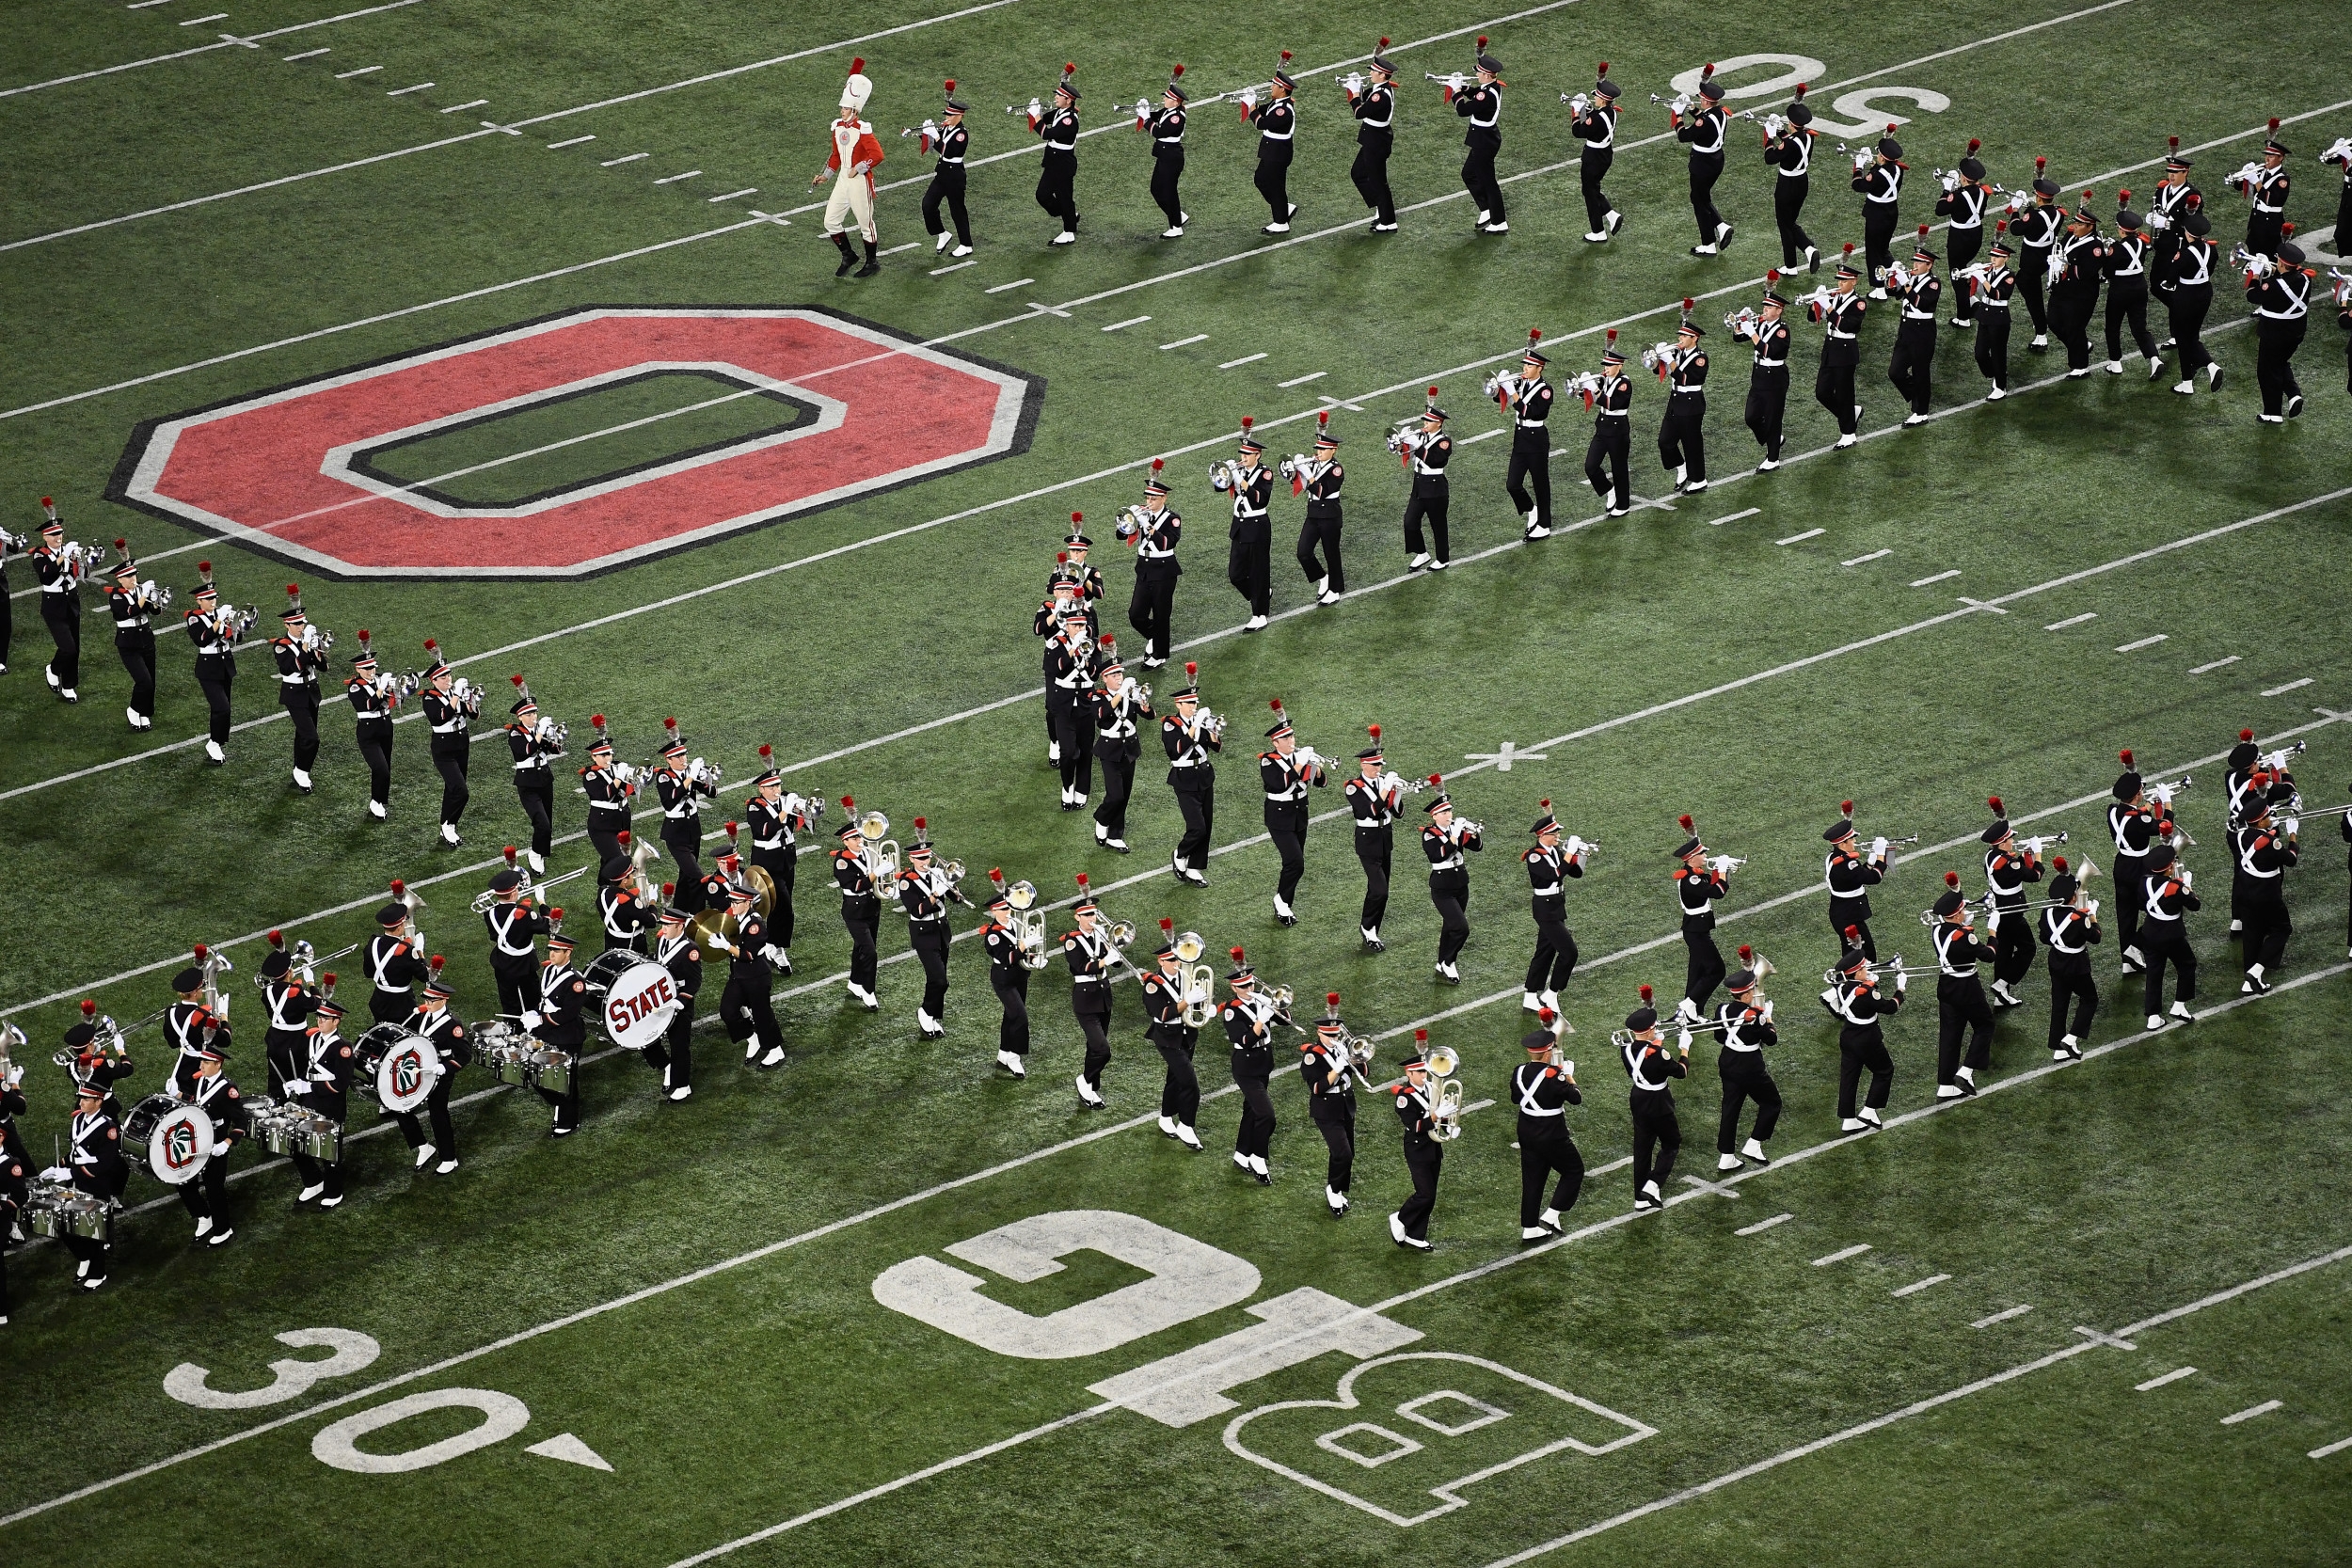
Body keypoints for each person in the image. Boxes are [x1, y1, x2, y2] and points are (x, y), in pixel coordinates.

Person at [1511, 1008, 1582, 1241]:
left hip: (1526, 1128)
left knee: (1533, 1178)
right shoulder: (1554, 1075)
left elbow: (1515, 1098)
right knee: (1574, 1170)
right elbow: (1576, 1098)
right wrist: (1569, 1077)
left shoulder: (1519, 1071)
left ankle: (1530, 1228)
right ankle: (1552, 1215)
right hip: (1551, 1131)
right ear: (1547, 1052)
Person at [1822, 934, 1901, 1131]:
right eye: (1864, 968)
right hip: (1867, 1038)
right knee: (1884, 1070)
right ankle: (1869, 1110)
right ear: (1857, 973)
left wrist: (1870, 983)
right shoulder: (1866, 992)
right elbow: (1890, 1007)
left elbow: (1859, 994)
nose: (1867, 969)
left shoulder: (1841, 987)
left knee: (1850, 1077)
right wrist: (1901, 988)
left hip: (1848, 1035)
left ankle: (1848, 1120)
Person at [1259, 702, 1327, 927]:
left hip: (1300, 813)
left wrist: (1316, 765)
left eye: (1292, 737)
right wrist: (1299, 764)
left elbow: (1321, 783)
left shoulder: (1299, 757)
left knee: (1295, 863)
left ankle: (1284, 901)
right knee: (1295, 862)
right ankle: (1281, 902)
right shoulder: (1269, 760)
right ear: (1275, 742)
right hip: (1279, 816)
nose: (1291, 742)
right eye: (1286, 739)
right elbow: (1280, 783)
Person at [1706, 959, 1779, 1170]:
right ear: (1746, 994)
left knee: (1731, 1108)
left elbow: (1720, 1037)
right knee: (1772, 1103)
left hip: (1728, 1061)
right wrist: (1769, 1019)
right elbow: (1771, 1040)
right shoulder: (1755, 1016)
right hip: (1749, 1065)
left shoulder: (1721, 1010)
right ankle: (1754, 1144)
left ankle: (1726, 1157)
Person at [898, 825, 969, 1040]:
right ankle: (925, 1012)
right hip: (923, 932)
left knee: (937, 978)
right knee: (940, 981)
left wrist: (954, 889)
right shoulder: (906, 881)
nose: (925, 862)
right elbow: (917, 910)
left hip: (941, 930)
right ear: (911, 859)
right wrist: (937, 893)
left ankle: (933, 1017)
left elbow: (957, 899)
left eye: (927, 857)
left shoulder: (938, 873)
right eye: (920, 859)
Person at [1929, 873, 1997, 1099]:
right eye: (1963, 911)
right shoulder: (1965, 937)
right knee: (1985, 1024)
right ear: (1957, 915)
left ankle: (1945, 1086)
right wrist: (1992, 930)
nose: (1966, 912)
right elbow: (1988, 956)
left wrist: (1964, 925)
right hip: (1966, 987)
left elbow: (1956, 935)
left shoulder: (1938, 930)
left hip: (1946, 985)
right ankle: (1966, 1072)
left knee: (1950, 1035)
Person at [1619, 988, 1687, 1212]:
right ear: (1649, 1031)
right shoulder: (1659, 1054)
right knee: (1671, 1142)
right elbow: (1680, 1072)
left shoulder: (1626, 1049)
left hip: (1638, 1098)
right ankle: (1654, 1183)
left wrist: (1654, 1044)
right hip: (1658, 1100)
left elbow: (1645, 1055)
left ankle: (1639, 1198)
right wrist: (1684, 1047)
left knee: (1642, 1147)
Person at [815, 61, 883, 277]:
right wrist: (826, 175)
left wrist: (859, 168)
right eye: (842, 108)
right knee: (831, 221)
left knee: (865, 223)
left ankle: (872, 263)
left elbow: (878, 155)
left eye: (845, 108)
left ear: (854, 109)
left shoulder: (863, 130)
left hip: (859, 181)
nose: (842, 111)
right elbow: (836, 155)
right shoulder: (837, 127)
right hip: (843, 179)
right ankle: (848, 255)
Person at [397, 972, 469, 1176]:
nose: (427, 1003)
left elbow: (465, 1055)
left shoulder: (452, 1025)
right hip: (420, 1068)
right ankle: (423, 1146)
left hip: (440, 1071)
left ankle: (449, 1158)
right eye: (426, 999)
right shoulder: (422, 1015)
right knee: (400, 1107)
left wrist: (445, 1068)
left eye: (432, 1000)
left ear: (444, 1000)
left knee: (438, 1113)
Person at [2233, 781, 2298, 993]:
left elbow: (2260, 842)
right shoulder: (2271, 842)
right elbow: (2290, 859)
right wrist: (2292, 835)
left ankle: (2248, 982)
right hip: (2266, 892)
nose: (2270, 818)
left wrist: (2269, 832)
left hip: (2246, 889)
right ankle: (2257, 970)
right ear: (2260, 822)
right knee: (2282, 928)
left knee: (2252, 933)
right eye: (2267, 817)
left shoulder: (2241, 835)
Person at [179, 1045, 247, 1247]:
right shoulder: (199, 1080)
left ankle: (223, 1229)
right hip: (196, 1141)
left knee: (214, 1189)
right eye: (201, 1061)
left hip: (216, 1144)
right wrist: (180, 1095)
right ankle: (203, 1216)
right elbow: (196, 1102)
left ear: (218, 1064)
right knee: (183, 1182)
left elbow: (241, 1122)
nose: (201, 1065)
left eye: (206, 1062)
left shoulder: (229, 1089)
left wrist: (226, 1143)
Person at [1141, 923, 1202, 1149]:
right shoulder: (1152, 985)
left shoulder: (1185, 976)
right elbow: (1163, 1013)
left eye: (1178, 959)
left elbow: (1195, 1005)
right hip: (1167, 1037)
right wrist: (1188, 1001)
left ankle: (1166, 1117)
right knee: (1189, 1083)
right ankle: (1186, 1125)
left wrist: (1205, 1006)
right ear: (1161, 962)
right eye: (1172, 961)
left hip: (1187, 1034)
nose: (1178, 964)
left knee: (1175, 1079)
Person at [287, 995, 352, 1206]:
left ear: (336, 1021)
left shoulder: (343, 1048)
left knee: (329, 1151)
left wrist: (310, 1086)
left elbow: (341, 1084)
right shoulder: (313, 1038)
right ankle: (313, 1182)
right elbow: (309, 1068)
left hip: (330, 1103)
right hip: (308, 1098)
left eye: (326, 1018)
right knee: (295, 1143)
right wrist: (298, 1083)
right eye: (319, 1017)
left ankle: (334, 1192)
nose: (320, 1021)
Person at [1344, 727, 1406, 951]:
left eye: (1381, 765)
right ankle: (1367, 927)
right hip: (1367, 839)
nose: (1379, 769)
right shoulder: (1353, 787)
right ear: (1363, 765)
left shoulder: (1382, 784)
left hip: (1384, 837)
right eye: (1376, 765)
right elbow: (1371, 811)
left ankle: (1372, 930)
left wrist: (1397, 792)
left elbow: (1397, 813)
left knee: (1381, 888)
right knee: (1380, 890)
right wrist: (1386, 788)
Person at [1520, 803, 1584, 1012]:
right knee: (1569, 952)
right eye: (1555, 833)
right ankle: (1551, 993)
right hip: (1545, 909)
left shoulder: (1556, 851)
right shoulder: (1534, 855)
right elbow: (1553, 876)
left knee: (1545, 952)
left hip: (1556, 907)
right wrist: (1569, 854)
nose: (1558, 836)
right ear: (1544, 834)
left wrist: (1579, 854)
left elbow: (1576, 873)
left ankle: (1530, 995)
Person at [713, 882, 786, 1066]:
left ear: (748, 902)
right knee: (728, 1012)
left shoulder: (755, 923)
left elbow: (748, 955)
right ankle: (752, 1038)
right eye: (732, 902)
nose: (732, 906)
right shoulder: (735, 917)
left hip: (756, 976)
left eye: (736, 902)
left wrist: (726, 947)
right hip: (739, 975)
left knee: (762, 1014)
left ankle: (776, 1050)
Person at [1220, 953, 1278, 1183]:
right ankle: (1258, 1156)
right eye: (1243, 986)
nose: (1249, 988)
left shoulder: (1259, 1001)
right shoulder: (1231, 1010)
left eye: (1251, 983)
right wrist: (1261, 1020)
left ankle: (1241, 1154)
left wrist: (1277, 1007)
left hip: (1264, 1062)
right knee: (1267, 1115)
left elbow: (1285, 1019)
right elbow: (1244, 1040)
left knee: (1252, 1111)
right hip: (1246, 1066)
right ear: (1235, 988)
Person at [1163, 663, 1220, 887]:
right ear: (1179, 704)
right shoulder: (1170, 724)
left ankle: (1195, 868)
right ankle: (1180, 854)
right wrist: (1195, 726)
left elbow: (1216, 747)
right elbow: (1177, 749)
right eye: (1190, 703)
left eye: (1195, 703)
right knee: (1197, 826)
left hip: (1205, 775)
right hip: (1184, 778)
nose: (1194, 706)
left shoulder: (1201, 721)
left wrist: (1213, 730)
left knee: (1207, 823)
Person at [2038, 856, 2101, 1061]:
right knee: (2090, 999)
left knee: (2060, 1003)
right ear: (2072, 898)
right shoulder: (2079, 918)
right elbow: (2096, 938)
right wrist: (2092, 916)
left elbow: (2044, 938)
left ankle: (2058, 1048)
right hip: (2076, 965)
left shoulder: (2046, 913)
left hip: (2056, 961)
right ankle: (2071, 1038)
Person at [1422, 777, 1483, 984]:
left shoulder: (1454, 829)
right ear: (1435, 815)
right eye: (1445, 812)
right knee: (1461, 928)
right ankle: (1449, 962)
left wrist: (1472, 833)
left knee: (1450, 926)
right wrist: (1454, 836)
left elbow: (1477, 848)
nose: (1449, 815)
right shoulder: (1430, 834)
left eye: (1450, 811)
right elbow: (1438, 855)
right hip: (1442, 887)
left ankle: (1444, 962)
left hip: (1460, 883)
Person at [1213, 423, 1274, 630]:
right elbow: (1219, 487)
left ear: (1257, 455)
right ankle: (1261, 593)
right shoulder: (1239, 470)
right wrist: (1228, 473)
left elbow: (1260, 499)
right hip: (1239, 525)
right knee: (1235, 574)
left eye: (1248, 454)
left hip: (1257, 525)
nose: (1243, 457)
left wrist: (1240, 479)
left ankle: (1260, 614)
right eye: (1242, 453)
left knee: (1258, 572)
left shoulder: (1265, 474)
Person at [1120, 461, 1182, 668]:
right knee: (1136, 615)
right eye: (1147, 497)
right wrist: (1130, 520)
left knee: (1161, 615)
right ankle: (1155, 638)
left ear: (1164, 498)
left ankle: (1160, 654)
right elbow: (1121, 535)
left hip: (1164, 571)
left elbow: (1166, 543)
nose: (1149, 501)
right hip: (1144, 570)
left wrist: (1146, 523)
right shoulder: (1142, 513)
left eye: (1153, 498)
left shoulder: (1172, 519)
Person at [1494, 338, 1556, 538]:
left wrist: (1512, 393)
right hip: (1520, 438)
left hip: (1536, 438)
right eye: (1525, 364)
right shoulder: (1521, 383)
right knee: (1513, 484)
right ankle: (1532, 510)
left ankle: (1544, 525)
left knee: (1540, 483)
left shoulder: (1546, 390)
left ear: (1540, 368)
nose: (1525, 368)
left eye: (1530, 365)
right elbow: (1497, 398)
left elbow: (1529, 412)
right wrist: (1501, 386)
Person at [1090, 641, 1150, 852]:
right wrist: (1121, 693)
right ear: (1104, 678)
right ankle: (1101, 820)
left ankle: (1115, 835)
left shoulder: (1129, 693)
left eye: (1120, 675)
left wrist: (1143, 702)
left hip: (1130, 748)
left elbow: (1149, 715)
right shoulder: (1099, 696)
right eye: (1114, 675)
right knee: (1115, 795)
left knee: (1125, 794)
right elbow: (1101, 716)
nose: (1119, 678)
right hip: (1110, 749)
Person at [1064, 879, 1119, 1108]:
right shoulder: (1071, 941)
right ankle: (1084, 1080)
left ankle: (1092, 1090)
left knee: (1093, 1047)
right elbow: (1080, 966)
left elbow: (1116, 966)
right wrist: (1105, 959)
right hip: (1085, 998)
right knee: (1102, 1049)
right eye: (1086, 915)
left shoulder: (1101, 935)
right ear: (1077, 917)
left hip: (1103, 995)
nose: (1091, 919)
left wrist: (1112, 944)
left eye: (1093, 914)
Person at [1302, 999, 1359, 1217]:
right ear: (1319, 1033)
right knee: (1342, 1153)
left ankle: (1339, 1189)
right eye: (1329, 1035)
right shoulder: (1312, 1056)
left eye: (1336, 1035)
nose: (1334, 1039)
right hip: (1326, 1110)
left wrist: (1354, 1058)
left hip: (1346, 1105)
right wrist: (1338, 1067)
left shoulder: (1343, 1048)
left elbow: (1364, 1073)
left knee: (1347, 1152)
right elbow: (1317, 1087)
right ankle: (1333, 1190)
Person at [653, 724, 718, 911]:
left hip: (693, 830)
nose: (683, 759)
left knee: (686, 875)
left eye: (684, 755)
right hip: (676, 833)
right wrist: (690, 777)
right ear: (669, 759)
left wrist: (707, 779)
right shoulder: (664, 776)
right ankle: (699, 915)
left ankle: (679, 911)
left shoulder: (691, 774)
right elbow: (672, 799)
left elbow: (713, 793)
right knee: (697, 877)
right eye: (679, 756)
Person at [528, 932, 587, 1135]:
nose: (552, 954)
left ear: (568, 953)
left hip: (568, 1035)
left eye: (557, 951)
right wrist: (534, 1013)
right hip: (550, 1032)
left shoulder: (576, 982)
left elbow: (569, 1013)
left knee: (566, 1079)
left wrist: (541, 1021)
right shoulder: (549, 971)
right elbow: (545, 1000)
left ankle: (567, 1120)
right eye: (551, 950)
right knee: (540, 1076)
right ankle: (562, 1107)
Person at [62, 1083, 121, 1289]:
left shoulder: (109, 1127)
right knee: (67, 1227)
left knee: (94, 1230)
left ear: (99, 1101)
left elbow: (105, 1163)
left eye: (87, 1099)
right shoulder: (78, 1119)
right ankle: (84, 1258)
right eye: (81, 1098)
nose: (81, 1102)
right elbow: (74, 1152)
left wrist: (71, 1171)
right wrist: (59, 1165)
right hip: (76, 1183)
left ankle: (98, 1273)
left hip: (96, 1185)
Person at [2248, 239, 2313, 424]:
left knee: (2266, 370)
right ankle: (2293, 394)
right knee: (2280, 362)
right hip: (2296, 332)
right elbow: (2289, 279)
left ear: (2283, 264)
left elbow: (2252, 295)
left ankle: (2273, 412)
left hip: (2274, 333)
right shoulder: (2306, 278)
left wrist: (2255, 274)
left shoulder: (2275, 285)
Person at [1390, 1031, 1445, 1248]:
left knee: (1431, 1196)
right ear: (1409, 1074)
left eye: (1425, 1071)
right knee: (1425, 1193)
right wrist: (1436, 1116)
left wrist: (1449, 1125)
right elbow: (1415, 1126)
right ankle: (1400, 1218)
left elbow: (1440, 1118)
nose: (1425, 1075)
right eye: (1421, 1072)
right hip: (1416, 1148)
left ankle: (1416, 1235)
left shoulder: (1433, 1088)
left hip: (1434, 1146)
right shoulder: (1404, 1097)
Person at [271, 588, 327, 795]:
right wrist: (305, 645)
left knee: (302, 735)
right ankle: (302, 771)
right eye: (296, 624)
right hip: (294, 693)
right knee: (311, 737)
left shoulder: (308, 641)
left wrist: (317, 648)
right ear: (286, 625)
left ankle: (298, 767)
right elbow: (291, 667)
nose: (300, 627)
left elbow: (324, 668)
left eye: (302, 623)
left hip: (312, 691)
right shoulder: (281, 645)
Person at [1673, 66, 1734, 256]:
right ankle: (1720, 228)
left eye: (1701, 99)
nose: (1699, 101)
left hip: (1702, 164)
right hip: (1716, 160)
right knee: (1700, 197)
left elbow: (1683, 135)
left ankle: (1709, 242)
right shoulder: (1721, 112)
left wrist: (1678, 114)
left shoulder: (1704, 122)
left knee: (1698, 200)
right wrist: (1692, 108)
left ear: (1707, 101)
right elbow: (1705, 117)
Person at [1672, 821, 1731, 1018]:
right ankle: (1688, 1005)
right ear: (1691, 859)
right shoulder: (1691, 880)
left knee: (1696, 974)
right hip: (1697, 932)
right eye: (1702, 854)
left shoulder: (1694, 874)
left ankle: (1691, 1013)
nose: (1706, 857)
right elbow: (1718, 891)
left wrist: (1723, 871)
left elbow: (1711, 882)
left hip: (1697, 930)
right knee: (1717, 970)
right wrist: (1722, 870)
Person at [1810, 246, 1867, 448]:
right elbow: (1812, 318)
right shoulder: (1834, 297)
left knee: (1844, 393)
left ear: (1854, 281)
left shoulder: (1859, 303)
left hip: (1845, 348)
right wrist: (1816, 303)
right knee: (1822, 392)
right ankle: (1851, 413)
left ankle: (1848, 433)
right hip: (1830, 347)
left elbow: (1847, 325)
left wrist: (1829, 306)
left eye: (1844, 281)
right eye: (1839, 280)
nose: (1840, 284)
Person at [1732, 279, 1792, 467]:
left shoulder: (1782, 330)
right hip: (1758, 375)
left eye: (1769, 307)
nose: (1765, 309)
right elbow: (1737, 338)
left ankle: (1772, 459)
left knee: (1773, 417)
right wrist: (1740, 324)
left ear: (1779, 310)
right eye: (1765, 306)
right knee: (1751, 416)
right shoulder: (1761, 324)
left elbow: (1769, 350)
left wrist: (1752, 333)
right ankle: (1772, 438)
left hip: (1774, 376)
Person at [2140, 843, 2201, 1029]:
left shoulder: (2144, 882)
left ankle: (2153, 1016)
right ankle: (2179, 1005)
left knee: (2154, 973)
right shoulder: (2176, 887)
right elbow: (2195, 905)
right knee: (2187, 964)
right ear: (2169, 868)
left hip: (2150, 932)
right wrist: (2187, 887)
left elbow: (2142, 904)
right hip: (2172, 935)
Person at [1446, 49, 1506, 233]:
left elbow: (1463, 110)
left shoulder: (1487, 94)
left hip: (1484, 141)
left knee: (1488, 181)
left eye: (1479, 72)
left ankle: (1499, 222)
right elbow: (1476, 93)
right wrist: (1463, 87)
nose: (1476, 74)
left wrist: (1456, 91)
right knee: (1468, 174)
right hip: (1484, 139)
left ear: (1488, 75)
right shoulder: (1490, 87)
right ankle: (1487, 210)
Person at [1886, 231, 1943, 425]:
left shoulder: (1934, 283)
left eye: (1920, 263)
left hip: (1923, 330)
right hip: (1906, 328)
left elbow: (1921, 303)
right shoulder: (1911, 278)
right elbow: (1891, 293)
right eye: (1915, 262)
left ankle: (1921, 412)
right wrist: (1892, 277)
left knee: (1921, 371)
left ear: (1930, 265)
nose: (1915, 265)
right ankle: (1918, 395)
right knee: (1895, 372)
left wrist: (1906, 283)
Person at [419, 649, 474, 847]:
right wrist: (457, 696)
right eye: (444, 676)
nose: (448, 678)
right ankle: (449, 824)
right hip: (444, 748)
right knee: (461, 791)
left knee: (453, 788)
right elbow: (441, 716)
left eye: (449, 674)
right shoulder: (429, 698)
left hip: (461, 744)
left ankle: (447, 823)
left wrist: (471, 701)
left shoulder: (454, 693)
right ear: (434, 680)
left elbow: (473, 716)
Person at [2167, 204, 2224, 394]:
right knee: (2191, 335)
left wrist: (2168, 284)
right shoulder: (2212, 250)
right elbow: (2211, 270)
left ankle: (2207, 368)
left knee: (2184, 338)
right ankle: (2188, 380)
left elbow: (2172, 276)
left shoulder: (2183, 254)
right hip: (2205, 292)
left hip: (2186, 295)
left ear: (2188, 233)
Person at [833, 804, 884, 1011]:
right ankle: (868, 990)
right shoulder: (841, 861)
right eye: (855, 839)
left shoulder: (866, 853)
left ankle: (854, 981)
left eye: (859, 837)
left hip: (872, 907)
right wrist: (876, 873)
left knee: (861, 947)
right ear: (845, 842)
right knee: (870, 952)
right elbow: (855, 885)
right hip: (854, 911)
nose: (860, 841)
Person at [2049, 195, 2107, 378]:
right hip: (2062, 289)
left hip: (2081, 294)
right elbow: (2060, 250)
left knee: (2074, 328)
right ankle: (2082, 346)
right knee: (2053, 322)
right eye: (2075, 223)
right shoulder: (2071, 236)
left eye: (2080, 225)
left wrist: (2064, 266)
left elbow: (2086, 272)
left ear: (2090, 227)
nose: (2075, 226)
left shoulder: (2095, 246)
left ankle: (2081, 367)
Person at [184, 567, 239, 765]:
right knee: (221, 707)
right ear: (199, 601)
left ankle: (218, 740)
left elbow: (236, 638)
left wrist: (236, 626)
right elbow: (202, 640)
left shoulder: (221, 613)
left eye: (214, 597)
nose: (213, 601)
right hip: (208, 667)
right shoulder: (194, 617)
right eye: (208, 598)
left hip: (225, 664)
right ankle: (214, 743)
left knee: (225, 708)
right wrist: (218, 621)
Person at [645, 904, 699, 1101]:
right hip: (659, 1001)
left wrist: (679, 1001)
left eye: (668, 925)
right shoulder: (661, 939)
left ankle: (682, 1086)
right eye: (664, 924)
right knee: (645, 1038)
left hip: (679, 1005)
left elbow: (694, 982)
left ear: (680, 926)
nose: (663, 928)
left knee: (679, 1045)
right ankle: (666, 1065)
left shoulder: (690, 950)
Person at [505, 684, 561, 874]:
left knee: (548, 822)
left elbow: (556, 750)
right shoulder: (515, 733)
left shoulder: (539, 730)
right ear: (520, 717)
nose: (533, 717)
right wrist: (539, 734)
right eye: (528, 715)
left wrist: (554, 737)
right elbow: (526, 752)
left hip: (545, 777)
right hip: (527, 782)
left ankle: (541, 851)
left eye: (535, 713)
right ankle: (535, 853)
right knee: (541, 823)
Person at [30, 508, 83, 705]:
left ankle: (69, 686)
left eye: (59, 533)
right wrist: (64, 557)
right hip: (53, 604)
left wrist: (81, 561)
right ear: (45, 537)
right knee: (67, 647)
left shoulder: (68, 550)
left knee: (75, 646)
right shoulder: (39, 554)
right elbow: (47, 574)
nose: (58, 537)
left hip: (72, 599)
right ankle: (53, 669)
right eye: (53, 534)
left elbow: (80, 575)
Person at [1934, 143, 1990, 327]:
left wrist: (1946, 190)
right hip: (1976, 234)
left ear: (1964, 177)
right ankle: (1970, 299)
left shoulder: (1957, 195)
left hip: (1959, 237)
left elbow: (1940, 209)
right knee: (1964, 268)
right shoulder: (1983, 192)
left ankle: (1963, 317)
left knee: (1956, 274)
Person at [1764, 87, 1820, 269]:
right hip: (1802, 182)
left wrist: (1770, 137)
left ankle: (1794, 263)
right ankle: (1805, 254)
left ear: (1791, 122)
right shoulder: (1809, 137)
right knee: (1789, 222)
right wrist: (1779, 130)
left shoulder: (1788, 144)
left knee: (1784, 224)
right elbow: (1794, 140)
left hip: (1787, 184)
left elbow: (1769, 158)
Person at [979, 879, 1031, 1079]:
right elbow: (1007, 958)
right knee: (1020, 1015)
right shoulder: (992, 934)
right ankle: (1014, 1056)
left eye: (1007, 907)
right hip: (1003, 978)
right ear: (993, 911)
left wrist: (1033, 956)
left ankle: (1004, 1051)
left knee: (1011, 1015)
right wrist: (1023, 946)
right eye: (1002, 909)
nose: (1007, 911)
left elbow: (1022, 953)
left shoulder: (1016, 924)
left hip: (1020, 975)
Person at [103, 554, 159, 731]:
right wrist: (144, 595)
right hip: (128, 643)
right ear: (119, 579)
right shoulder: (116, 596)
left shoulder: (139, 591)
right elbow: (130, 612)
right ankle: (134, 709)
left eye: (134, 574)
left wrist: (156, 600)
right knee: (144, 681)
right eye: (129, 576)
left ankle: (144, 713)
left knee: (152, 679)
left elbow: (155, 612)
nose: (133, 578)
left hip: (146, 639)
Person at [1823, 812, 1891, 958]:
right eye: (1852, 839)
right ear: (1842, 844)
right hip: (1849, 915)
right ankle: (1863, 980)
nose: (1854, 842)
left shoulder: (1835, 857)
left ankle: (1850, 979)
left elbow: (1858, 876)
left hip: (1843, 912)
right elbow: (1875, 877)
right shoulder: (1847, 864)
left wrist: (1871, 860)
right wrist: (1881, 854)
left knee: (1852, 953)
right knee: (1866, 954)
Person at [1397, 395, 1454, 568]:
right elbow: (1404, 453)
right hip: (1419, 484)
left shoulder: (1444, 442)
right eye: (1425, 420)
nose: (1425, 423)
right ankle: (1421, 553)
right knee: (1410, 521)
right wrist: (1401, 443)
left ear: (1439, 423)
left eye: (1429, 421)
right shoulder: (1421, 436)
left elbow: (1435, 460)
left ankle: (1442, 559)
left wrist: (1417, 445)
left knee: (1438, 525)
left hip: (1435, 486)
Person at [1657, 305, 1710, 491]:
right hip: (1675, 401)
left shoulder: (1700, 358)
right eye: (1680, 334)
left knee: (1692, 443)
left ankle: (1699, 480)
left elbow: (1684, 379)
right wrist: (1658, 358)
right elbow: (1659, 370)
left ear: (1694, 338)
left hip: (1691, 403)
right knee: (1665, 441)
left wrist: (1669, 360)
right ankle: (1682, 468)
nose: (1679, 338)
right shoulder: (1678, 352)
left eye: (1684, 335)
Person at [2012, 159, 2064, 350]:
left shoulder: (2034, 216)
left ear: (2039, 198)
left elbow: (2016, 229)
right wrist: (2029, 209)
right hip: (2045, 256)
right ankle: (2039, 321)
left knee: (2031, 293)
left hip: (2031, 259)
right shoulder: (2060, 214)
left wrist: (2016, 209)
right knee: (2027, 287)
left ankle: (2041, 334)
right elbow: (2037, 223)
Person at [915, 85, 973, 257]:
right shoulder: (947, 128)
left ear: (959, 116)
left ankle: (966, 244)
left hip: (954, 175)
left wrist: (936, 135)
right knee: (928, 205)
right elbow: (934, 142)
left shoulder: (961, 134)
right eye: (946, 114)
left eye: (950, 115)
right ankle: (942, 233)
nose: (946, 117)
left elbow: (947, 151)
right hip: (942, 174)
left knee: (957, 210)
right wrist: (922, 133)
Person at [1343, 48, 1397, 231]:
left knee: (1378, 180)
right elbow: (1363, 98)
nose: (1370, 73)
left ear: (1382, 75)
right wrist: (1356, 87)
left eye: (1373, 71)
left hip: (1376, 142)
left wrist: (1354, 92)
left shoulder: (1380, 95)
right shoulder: (1378, 89)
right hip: (1372, 139)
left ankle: (1388, 221)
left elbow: (1359, 112)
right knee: (1358, 173)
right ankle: (1380, 210)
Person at [1294, 420, 1346, 599]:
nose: (1319, 453)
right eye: (1318, 449)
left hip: (1330, 516)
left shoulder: (1336, 470)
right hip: (1313, 514)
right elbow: (1303, 486)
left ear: (1333, 450)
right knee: (1303, 552)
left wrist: (1307, 474)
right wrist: (1296, 472)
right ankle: (1323, 578)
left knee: (1331, 553)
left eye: (1323, 450)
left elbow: (1322, 492)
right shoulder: (1315, 464)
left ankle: (1335, 590)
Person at [1246, 58, 1298, 233]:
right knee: (1261, 180)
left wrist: (1251, 106)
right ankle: (1284, 209)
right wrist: (1252, 103)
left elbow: (1261, 123)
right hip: (1272, 151)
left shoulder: (1282, 110)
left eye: (1274, 85)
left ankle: (1281, 222)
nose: (1271, 88)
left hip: (1277, 153)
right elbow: (1262, 111)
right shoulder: (1277, 104)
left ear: (1282, 89)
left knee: (1272, 185)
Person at [1028, 69, 1082, 245]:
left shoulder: (1070, 120)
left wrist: (1035, 117)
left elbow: (1047, 133)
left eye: (1059, 96)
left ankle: (1069, 232)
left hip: (1063, 164)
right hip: (1053, 162)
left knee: (1064, 196)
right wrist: (1034, 112)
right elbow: (1045, 119)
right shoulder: (1060, 113)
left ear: (1069, 100)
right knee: (1042, 195)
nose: (1055, 98)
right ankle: (1069, 214)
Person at [1572, 66, 1624, 242]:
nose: (1594, 98)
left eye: (1596, 97)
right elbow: (1593, 119)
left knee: (1589, 192)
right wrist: (1585, 108)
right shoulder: (1611, 112)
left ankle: (1599, 231)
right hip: (1605, 155)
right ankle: (1610, 216)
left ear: (1603, 100)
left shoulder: (1596, 118)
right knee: (1592, 189)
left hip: (1593, 157)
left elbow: (1578, 131)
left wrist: (1575, 111)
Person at [348, 641, 399, 821]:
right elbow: (368, 705)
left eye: (373, 668)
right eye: (367, 669)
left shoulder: (379, 681)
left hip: (386, 726)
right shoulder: (355, 687)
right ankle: (375, 802)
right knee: (381, 768)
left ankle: (380, 801)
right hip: (368, 732)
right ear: (359, 669)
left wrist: (394, 691)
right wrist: (380, 689)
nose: (371, 672)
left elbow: (390, 703)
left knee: (387, 766)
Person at [1582, 336, 1633, 515]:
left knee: (1619, 469)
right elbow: (1592, 398)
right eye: (1605, 365)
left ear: (1619, 366)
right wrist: (1582, 390)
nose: (1606, 368)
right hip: (1603, 428)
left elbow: (1613, 404)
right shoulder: (1604, 379)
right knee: (1590, 466)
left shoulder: (1624, 383)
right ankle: (1609, 491)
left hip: (1618, 430)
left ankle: (1623, 505)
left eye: (1609, 365)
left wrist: (1594, 389)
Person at [1965, 229, 2017, 398]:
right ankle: (1996, 373)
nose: (1993, 259)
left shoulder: (2009, 275)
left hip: (1999, 317)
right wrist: (1972, 276)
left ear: (2006, 258)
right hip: (1985, 315)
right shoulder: (1988, 271)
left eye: (1997, 256)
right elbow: (1979, 290)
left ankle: (2000, 387)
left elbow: (1998, 294)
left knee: (1998, 353)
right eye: (1992, 256)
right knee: (1980, 353)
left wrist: (1982, 279)